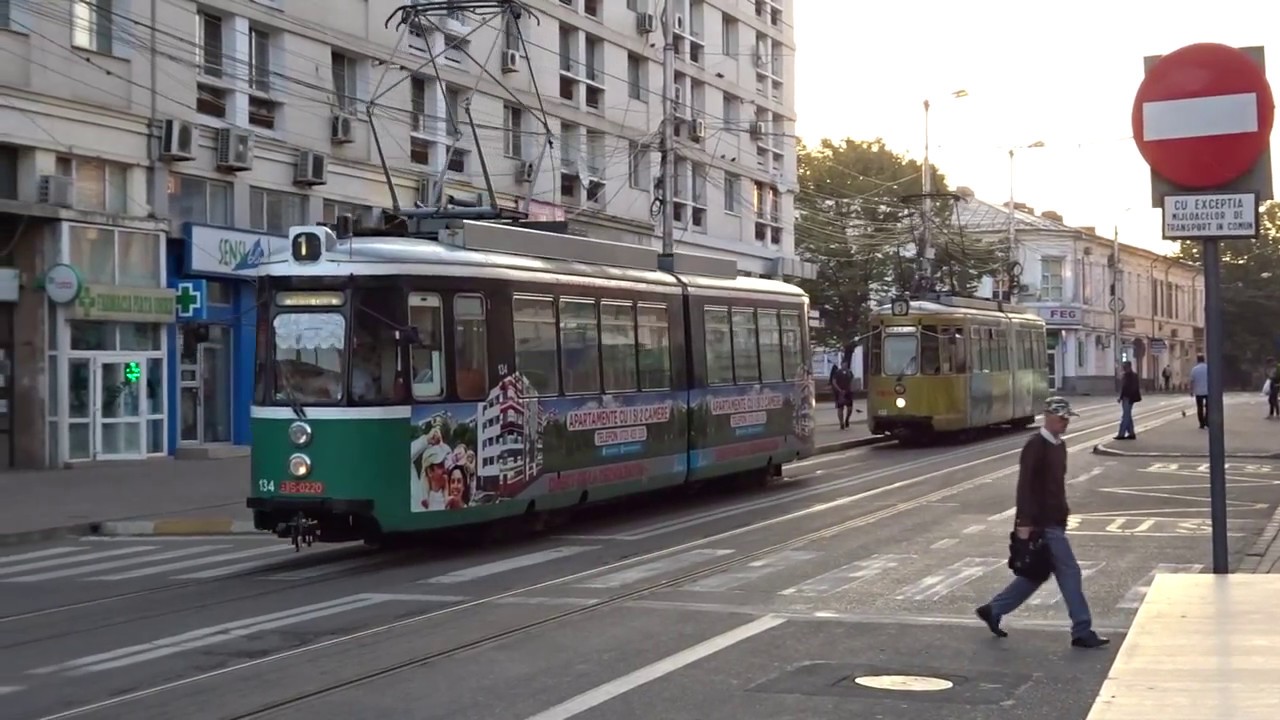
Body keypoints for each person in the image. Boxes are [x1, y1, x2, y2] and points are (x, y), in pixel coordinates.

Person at [975, 396, 1109, 649]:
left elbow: (1056, 486)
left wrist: (1064, 512)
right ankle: (1082, 630)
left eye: (1067, 418)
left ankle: (993, 609)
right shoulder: (1035, 446)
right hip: (1041, 523)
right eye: (1061, 418)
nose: (1065, 423)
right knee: (1070, 572)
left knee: (1036, 574)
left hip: (1055, 520)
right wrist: (1023, 524)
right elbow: (1025, 486)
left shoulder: (1060, 446)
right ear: (1048, 417)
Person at [1115, 360, 1141, 440]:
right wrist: (1120, 397)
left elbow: (1133, 388)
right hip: (1125, 398)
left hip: (1129, 398)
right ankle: (1131, 433)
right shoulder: (1126, 376)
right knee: (1128, 415)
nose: (1123, 368)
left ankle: (1121, 434)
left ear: (1129, 367)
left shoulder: (1132, 376)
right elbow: (1124, 388)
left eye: (1124, 367)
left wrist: (1131, 398)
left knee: (1125, 416)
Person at [829, 360, 855, 429]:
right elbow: (834, 382)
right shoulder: (837, 372)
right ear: (841, 364)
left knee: (850, 408)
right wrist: (839, 390)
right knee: (840, 408)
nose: (845, 366)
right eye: (844, 364)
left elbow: (852, 380)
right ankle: (841, 423)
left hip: (848, 392)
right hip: (840, 393)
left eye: (846, 364)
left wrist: (851, 388)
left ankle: (847, 419)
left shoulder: (849, 372)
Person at [1189, 354, 1208, 429]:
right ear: (1204, 359)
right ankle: (1207, 420)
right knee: (1208, 407)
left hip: (1198, 391)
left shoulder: (1194, 369)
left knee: (1200, 407)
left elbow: (1192, 381)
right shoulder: (1208, 368)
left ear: (1197, 360)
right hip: (1208, 391)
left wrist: (1191, 391)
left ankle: (1201, 423)